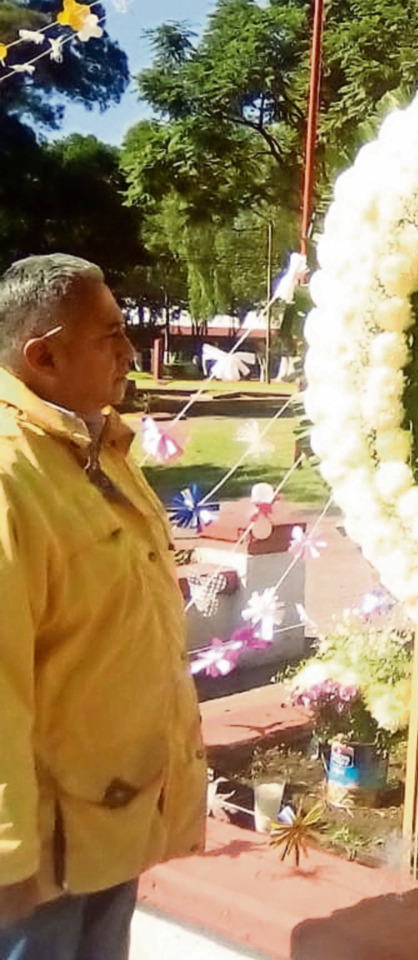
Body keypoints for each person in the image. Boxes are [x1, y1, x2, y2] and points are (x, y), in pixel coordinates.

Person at [0, 255, 206, 959]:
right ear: (43, 355)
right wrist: (6, 855)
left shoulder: (95, 443)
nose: (131, 351)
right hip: (39, 863)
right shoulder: (9, 472)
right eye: (110, 335)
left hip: (105, 826)